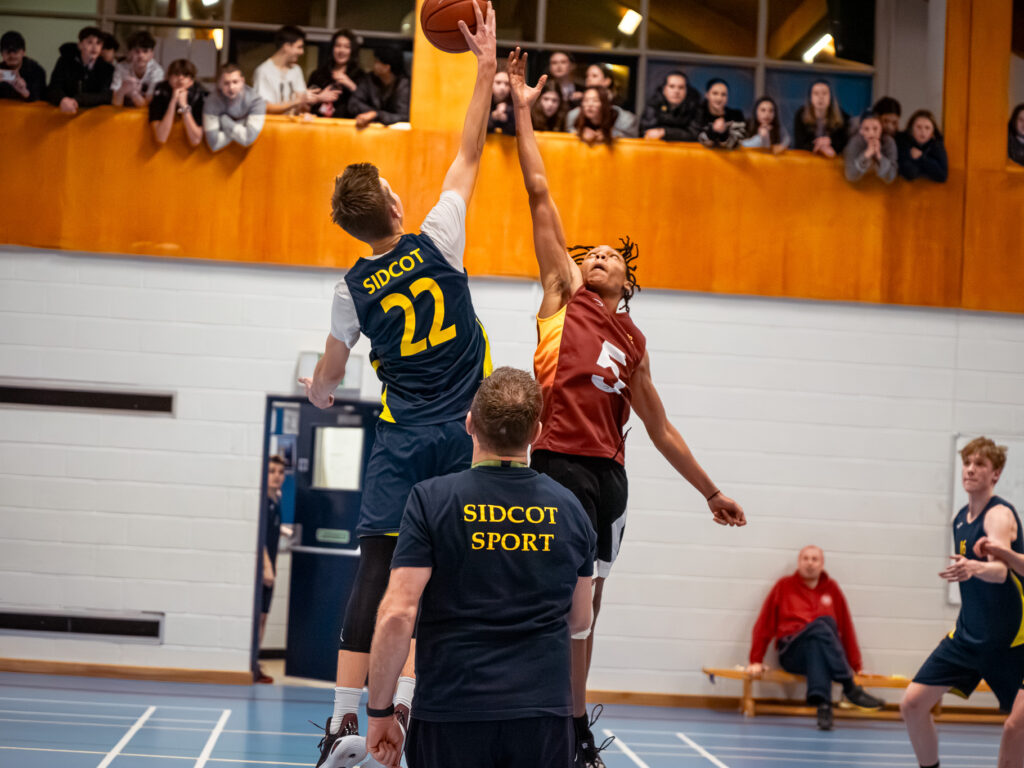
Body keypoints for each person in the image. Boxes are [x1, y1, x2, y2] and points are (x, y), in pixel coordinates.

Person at [507, 47, 746, 768]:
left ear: (628, 281)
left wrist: (710, 489)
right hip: (552, 466)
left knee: (588, 613)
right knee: (537, 601)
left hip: (609, 480)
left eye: (613, 256)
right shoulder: (562, 293)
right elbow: (541, 193)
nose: (601, 256)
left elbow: (661, 427)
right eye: (595, 252)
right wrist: (520, 107)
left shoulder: (633, 340)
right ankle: (524, 711)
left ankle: (574, 729)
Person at [297, 5, 496, 766]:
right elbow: (469, 153)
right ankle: (407, 717)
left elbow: (328, 376)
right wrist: (481, 73)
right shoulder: (440, 235)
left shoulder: (350, 288)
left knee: (378, 575)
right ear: (395, 205)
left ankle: (346, 724)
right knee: (446, 581)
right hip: (467, 439)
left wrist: (318, 391)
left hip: (402, 439)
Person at [364, 366, 596, 768]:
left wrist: (380, 712)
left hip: (452, 712)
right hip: (542, 717)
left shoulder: (430, 500)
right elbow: (580, 621)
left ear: (469, 423)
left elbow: (397, 615)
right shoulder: (570, 508)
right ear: (536, 433)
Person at [901, 437, 1024, 768]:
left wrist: (974, 567)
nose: (970, 469)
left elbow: (1000, 572)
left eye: (980, 464)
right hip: (969, 638)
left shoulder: (997, 515)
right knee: (912, 704)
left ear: (995, 473)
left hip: (1012, 643)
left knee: (1017, 728)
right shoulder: (960, 518)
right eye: (967, 462)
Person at [747, 545, 884, 730]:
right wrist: (755, 659)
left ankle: (824, 707)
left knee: (820, 638)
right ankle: (849, 687)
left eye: (814, 559)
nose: (810, 563)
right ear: (799, 562)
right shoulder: (784, 586)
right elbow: (765, 623)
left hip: (820, 652)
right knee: (823, 624)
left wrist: (857, 665)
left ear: (822, 564)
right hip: (792, 652)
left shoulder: (832, 588)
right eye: (805, 558)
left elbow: (846, 627)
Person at [257, 455, 286, 684]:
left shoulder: (275, 501)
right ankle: (251, 664)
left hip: (271, 567)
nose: (277, 476)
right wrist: (267, 566)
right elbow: (260, 538)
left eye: (280, 472)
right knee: (259, 617)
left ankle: (254, 662)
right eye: (272, 471)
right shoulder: (261, 502)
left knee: (265, 616)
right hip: (263, 569)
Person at [254, 25, 327, 116]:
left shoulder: (296, 70)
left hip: (292, 127)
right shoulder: (264, 71)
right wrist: (296, 102)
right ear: (286, 46)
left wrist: (311, 100)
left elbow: (302, 107)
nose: (302, 52)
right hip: (272, 127)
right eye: (299, 47)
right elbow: (265, 107)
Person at [46, 26, 114, 114]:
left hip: (93, 118)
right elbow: (54, 87)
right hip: (64, 114)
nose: (94, 47)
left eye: (98, 43)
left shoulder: (107, 69)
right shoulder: (65, 62)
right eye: (90, 42)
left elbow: (106, 95)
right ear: (80, 45)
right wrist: (62, 99)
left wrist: (78, 100)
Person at [203, 63, 267, 152]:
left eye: (235, 82)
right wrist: (243, 123)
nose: (231, 87)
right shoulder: (211, 101)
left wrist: (223, 120)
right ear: (219, 84)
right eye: (226, 83)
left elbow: (248, 139)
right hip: (219, 157)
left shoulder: (256, 101)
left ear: (242, 81)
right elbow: (214, 143)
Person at [564, 64, 637, 139]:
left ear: (607, 81)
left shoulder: (621, 110)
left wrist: (611, 134)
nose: (589, 79)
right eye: (587, 76)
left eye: (594, 76)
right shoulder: (575, 113)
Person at [307, 29, 365, 119]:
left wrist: (351, 85)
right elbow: (306, 103)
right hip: (319, 126)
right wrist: (319, 98)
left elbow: (367, 105)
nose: (341, 50)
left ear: (352, 50)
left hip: (347, 127)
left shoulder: (360, 76)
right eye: (338, 46)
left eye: (347, 47)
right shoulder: (318, 74)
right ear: (332, 48)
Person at [349, 46, 410, 128]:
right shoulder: (369, 79)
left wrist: (377, 115)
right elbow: (353, 103)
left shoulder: (403, 85)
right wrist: (373, 113)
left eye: (377, 61)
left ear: (387, 67)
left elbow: (404, 116)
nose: (374, 64)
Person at [148, 59, 205, 147]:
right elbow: (161, 137)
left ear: (191, 81)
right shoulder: (160, 93)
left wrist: (184, 105)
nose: (180, 78)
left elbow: (196, 140)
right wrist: (173, 102)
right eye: (176, 74)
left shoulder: (199, 95)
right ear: (169, 77)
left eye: (185, 75)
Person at [640, 70, 700, 142]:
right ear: (664, 89)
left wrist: (664, 132)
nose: (676, 91)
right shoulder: (653, 105)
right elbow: (647, 132)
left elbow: (694, 135)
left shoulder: (694, 108)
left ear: (687, 91)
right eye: (672, 86)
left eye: (681, 87)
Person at [793, 79, 849, 157]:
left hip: (833, 161)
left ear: (831, 97)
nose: (820, 97)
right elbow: (799, 144)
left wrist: (830, 142)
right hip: (807, 160)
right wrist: (818, 147)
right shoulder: (801, 114)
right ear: (810, 97)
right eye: (816, 93)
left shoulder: (842, 116)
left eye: (824, 93)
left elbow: (844, 141)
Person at [111, 30, 163, 108]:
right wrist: (122, 90)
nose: (141, 55)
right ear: (129, 53)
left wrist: (133, 93)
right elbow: (115, 103)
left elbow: (148, 104)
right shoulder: (121, 67)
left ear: (152, 54)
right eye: (137, 51)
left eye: (145, 51)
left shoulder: (157, 71)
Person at [844, 112, 897, 184]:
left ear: (881, 129)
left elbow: (891, 177)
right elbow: (850, 176)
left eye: (875, 128)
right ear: (861, 131)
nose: (871, 133)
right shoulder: (854, 142)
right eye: (866, 129)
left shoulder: (888, 142)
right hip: (857, 189)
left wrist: (879, 156)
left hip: (880, 190)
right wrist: (866, 155)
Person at [896, 110, 948, 183]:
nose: (923, 132)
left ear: (933, 132)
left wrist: (921, 157)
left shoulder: (937, 146)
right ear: (911, 129)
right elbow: (910, 173)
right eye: (918, 127)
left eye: (927, 128)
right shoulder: (903, 143)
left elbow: (942, 175)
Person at [695, 78, 745, 149]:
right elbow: (697, 140)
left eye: (723, 94)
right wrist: (713, 130)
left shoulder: (736, 115)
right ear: (707, 95)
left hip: (729, 159)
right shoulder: (698, 114)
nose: (719, 98)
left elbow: (737, 143)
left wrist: (724, 132)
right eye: (715, 93)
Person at [0, 31, 47, 102]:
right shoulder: (1, 70)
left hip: (30, 110)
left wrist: (24, 91)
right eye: (7, 51)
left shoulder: (36, 71)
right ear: (2, 54)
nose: (12, 55)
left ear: (23, 52)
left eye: (15, 51)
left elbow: (40, 98)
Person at [487, 67, 515, 135]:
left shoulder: (514, 105)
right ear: (491, 84)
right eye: (498, 82)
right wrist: (493, 117)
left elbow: (517, 132)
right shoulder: (484, 102)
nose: (502, 87)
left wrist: (506, 119)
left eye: (507, 84)